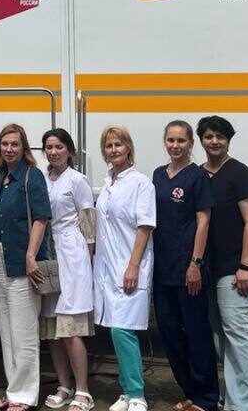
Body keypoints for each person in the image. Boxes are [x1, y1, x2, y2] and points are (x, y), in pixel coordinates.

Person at [151, 122, 218, 411]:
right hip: (162, 269)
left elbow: (204, 222)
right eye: (171, 140)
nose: (175, 145)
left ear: (191, 143)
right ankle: (190, 391)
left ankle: (207, 397)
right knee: (169, 333)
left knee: (196, 333)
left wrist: (195, 263)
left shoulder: (198, 177)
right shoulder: (157, 175)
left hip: (188, 269)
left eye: (181, 140)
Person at [198, 116, 248, 411]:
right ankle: (230, 396)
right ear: (201, 140)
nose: (214, 141)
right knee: (218, 337)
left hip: (234, 270)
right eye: (209, 136)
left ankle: (245, 404)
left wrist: (245, 266)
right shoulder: (199, 174)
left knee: (238, 335)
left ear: (228, 140)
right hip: (208, 270)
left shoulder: (240, 174)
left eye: (220, 137)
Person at [0, 123, 51, 411]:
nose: (9, 149)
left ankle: (25, 396)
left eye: (15, 144)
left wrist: (30, 255)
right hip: (0, 257)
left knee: (24, 331)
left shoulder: (31, 175)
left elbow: (41, 217)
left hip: (22, 259)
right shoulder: (2, 176)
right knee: (7, 330)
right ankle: (14, 390)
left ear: (23, 147)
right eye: (5, 144)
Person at [92, 125, 155, 411]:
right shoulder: (108, 183)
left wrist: (133, 266)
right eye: (108, 146)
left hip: (130, 265)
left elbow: (145, 227)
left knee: (122, 330)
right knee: (115, 329)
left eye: (118, 144)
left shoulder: (141, 183)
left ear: (128, 148)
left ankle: (138, 394)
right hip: (108, 266)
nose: (113, 150)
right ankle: (127, 392)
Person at [38, 128, 96, 411]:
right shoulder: (42, 178)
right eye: (49, 147)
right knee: (52, 328)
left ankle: (83, 390)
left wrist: (90, 262)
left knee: (71, 328)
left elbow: (88, 222)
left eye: (59, 147)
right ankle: (63, 385)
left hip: (72, 254)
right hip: (49, 254)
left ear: (70, 151)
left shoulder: (77, 180)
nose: (53, 152)